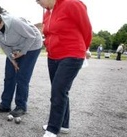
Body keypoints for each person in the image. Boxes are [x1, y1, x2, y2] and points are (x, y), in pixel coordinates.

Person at [36, 0, 92, 137]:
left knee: (58, 91)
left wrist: (85, 48)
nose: (38, 3)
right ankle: (63, 124)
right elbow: (48, 34)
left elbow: (86, 28)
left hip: (72, 54)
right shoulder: (47, 13)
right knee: (60, 91)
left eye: (38, 0)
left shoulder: (71, 3)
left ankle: (52, 129)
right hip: (53, 56)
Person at [0, 9, 42, 117]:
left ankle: (21, 106)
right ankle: (5, 104)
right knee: (9, 76)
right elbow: (3, 45)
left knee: (22, 77)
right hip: (15, 48)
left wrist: (22, 53)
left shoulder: (14, 22)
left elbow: (32, 36)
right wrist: (12, 60)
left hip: (32, 46)